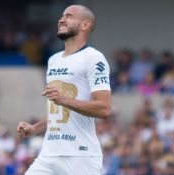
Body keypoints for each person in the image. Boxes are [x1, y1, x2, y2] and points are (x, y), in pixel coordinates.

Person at [17, 5, 111, 175]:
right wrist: (34, 128)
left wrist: (64, 100)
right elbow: (58, 112)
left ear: (85, 25)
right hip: (48, 154)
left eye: (69, 16)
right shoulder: (53, 60)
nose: (61, 20)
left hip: (80, 156)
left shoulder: (94, 58)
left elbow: (104, 109)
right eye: (62, 16)